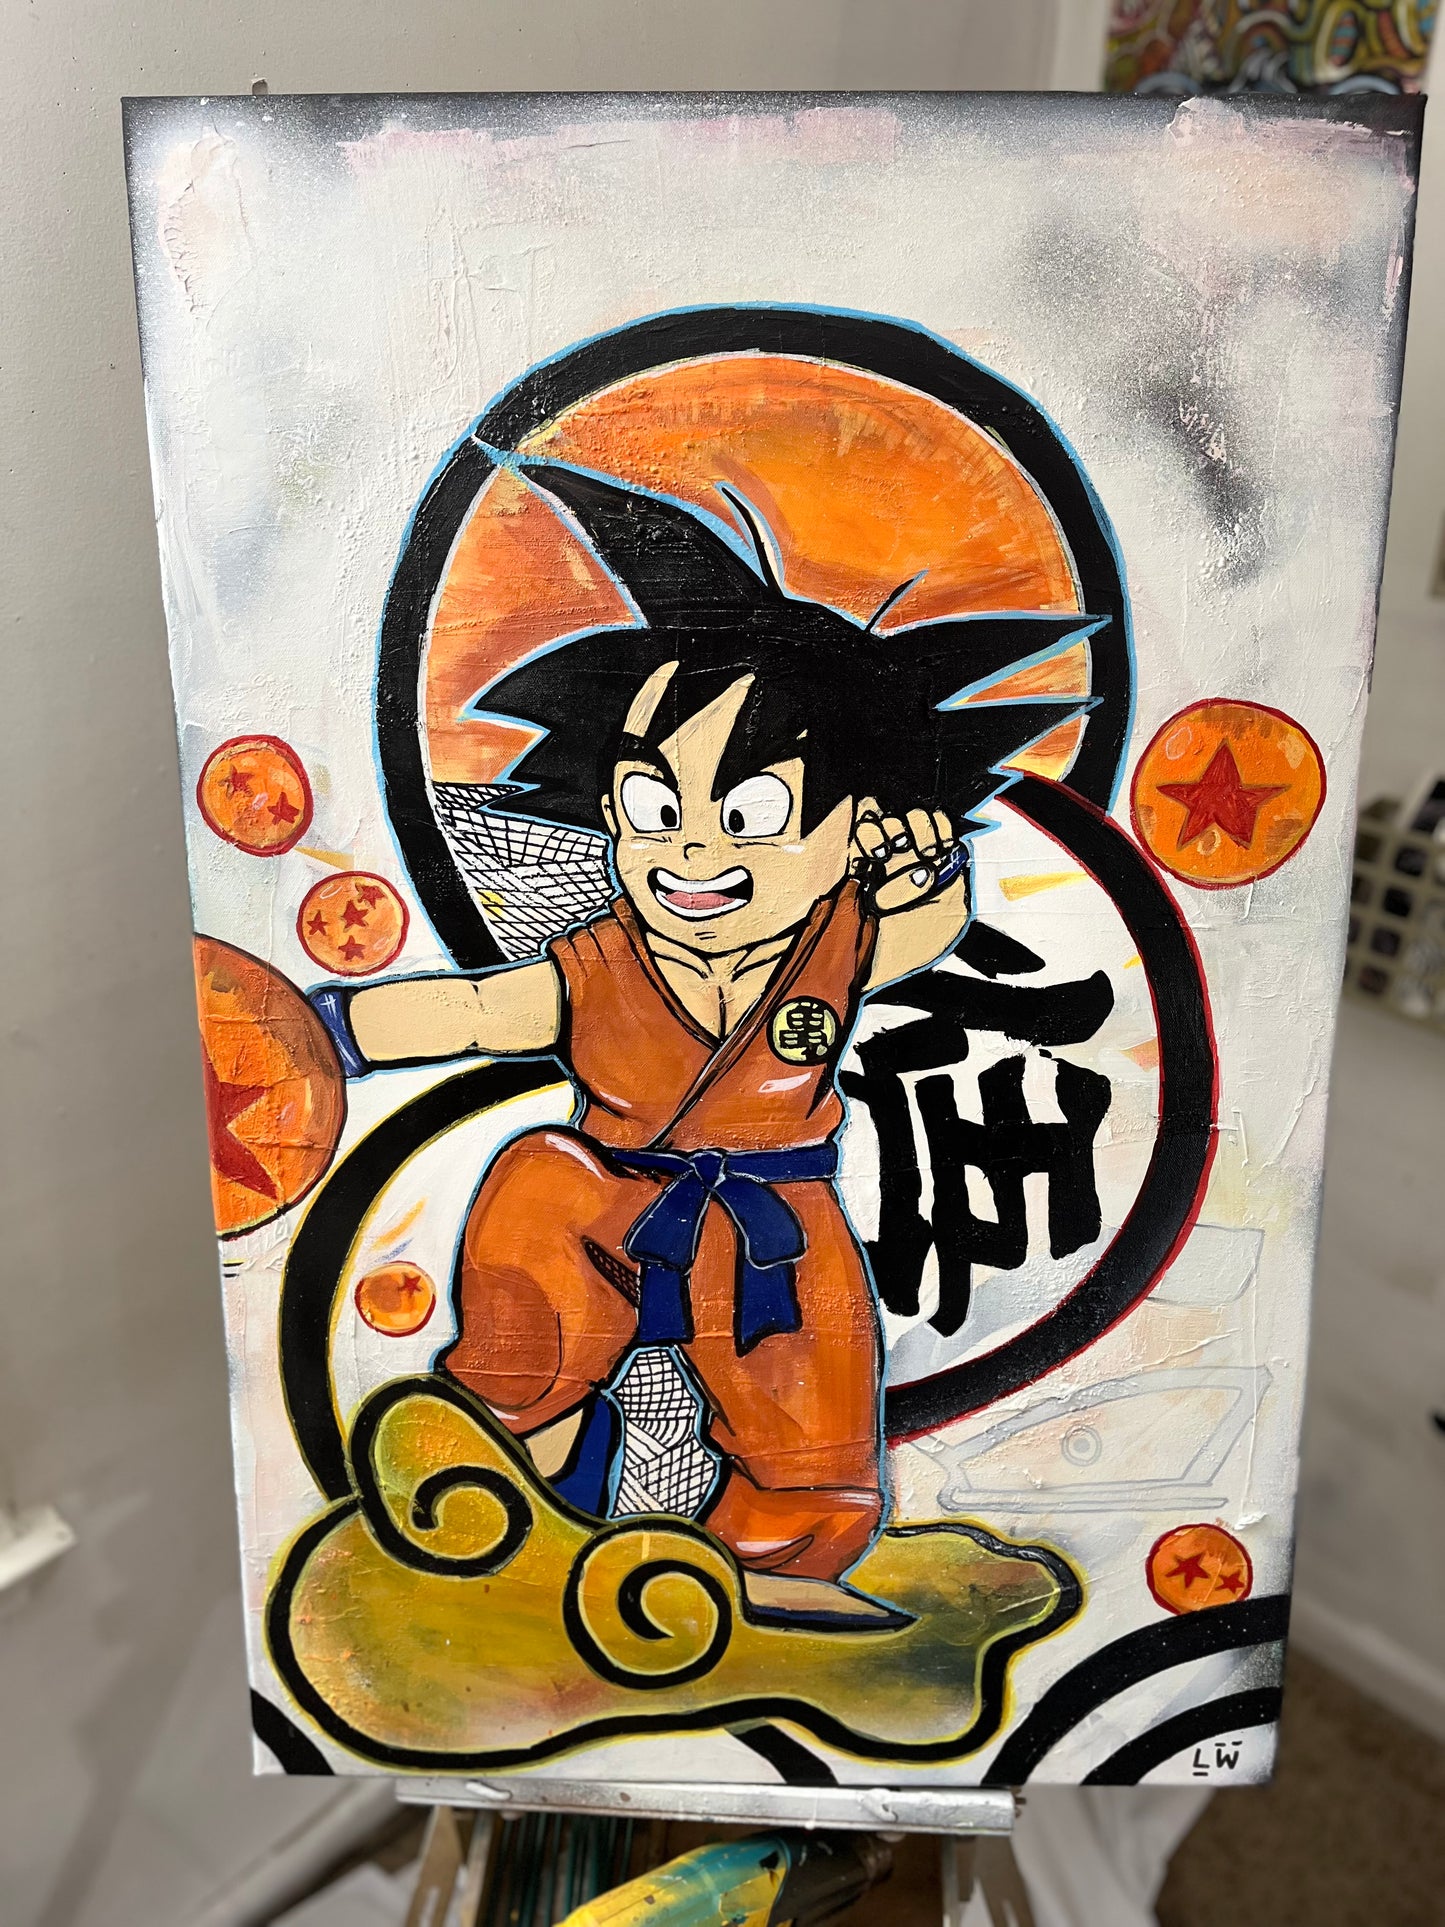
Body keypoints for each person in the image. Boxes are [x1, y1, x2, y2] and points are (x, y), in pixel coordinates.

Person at [316, 460, 1101, 1628]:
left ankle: (779, 1555)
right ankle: (518, 1440)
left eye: (749, 816)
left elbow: (928, 924)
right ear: (611, 812)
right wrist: (330, 1034)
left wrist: (927, 868)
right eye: (652, 807)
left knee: (813, 1386)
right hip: (614, 1194)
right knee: (536, 1192)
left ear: (847, 833)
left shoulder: (836, 943)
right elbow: (480, 1012)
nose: (690, 851)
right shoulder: (600, 963)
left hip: (775, 1227)